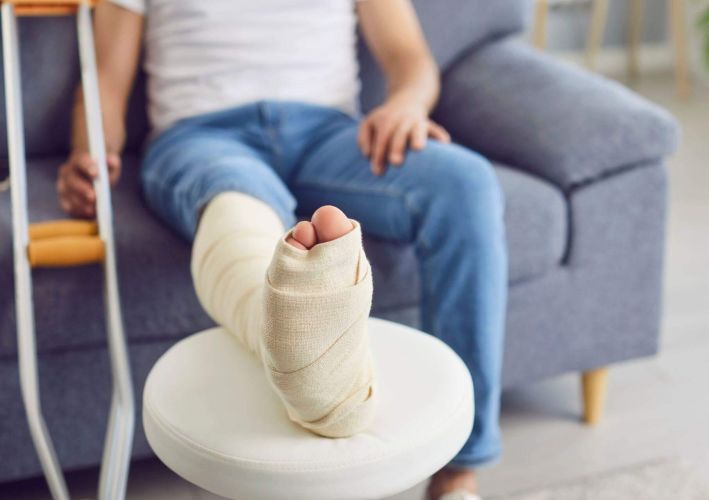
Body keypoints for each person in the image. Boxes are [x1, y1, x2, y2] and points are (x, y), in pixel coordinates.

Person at [57, 1, 508, 497]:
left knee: (467, 184)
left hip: (332, 135)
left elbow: (410, 56)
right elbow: (103, 79)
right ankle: (307, 357)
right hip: (202, 137)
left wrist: (407, 102)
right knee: (236, 202)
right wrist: (90, 153)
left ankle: (456, 469)